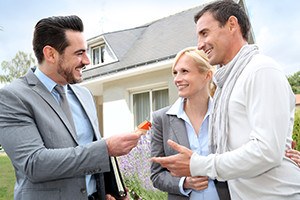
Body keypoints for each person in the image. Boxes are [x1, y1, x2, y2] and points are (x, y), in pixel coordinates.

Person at [151, 0, 300, 199]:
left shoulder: (261, 70)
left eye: (205, 33)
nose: (200, 44)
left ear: (232, 25)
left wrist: (198, 164)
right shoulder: (226, 85)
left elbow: (266, 151)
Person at [0, 15, 141, 200]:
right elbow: (34, 164)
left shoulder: (85, 95)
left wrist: (107, 191)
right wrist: (105, 148)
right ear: (50, 54)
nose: (87, 61)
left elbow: (87, 150)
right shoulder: (13, 97)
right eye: (79, 53)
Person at [150, 47, 230, 200]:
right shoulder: (162, 119)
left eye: (185, 71)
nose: (177, 79)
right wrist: (184, 183)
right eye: (175, 72)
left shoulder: (226, 114)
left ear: (207, 75)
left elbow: (243, 161)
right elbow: (157, 175)